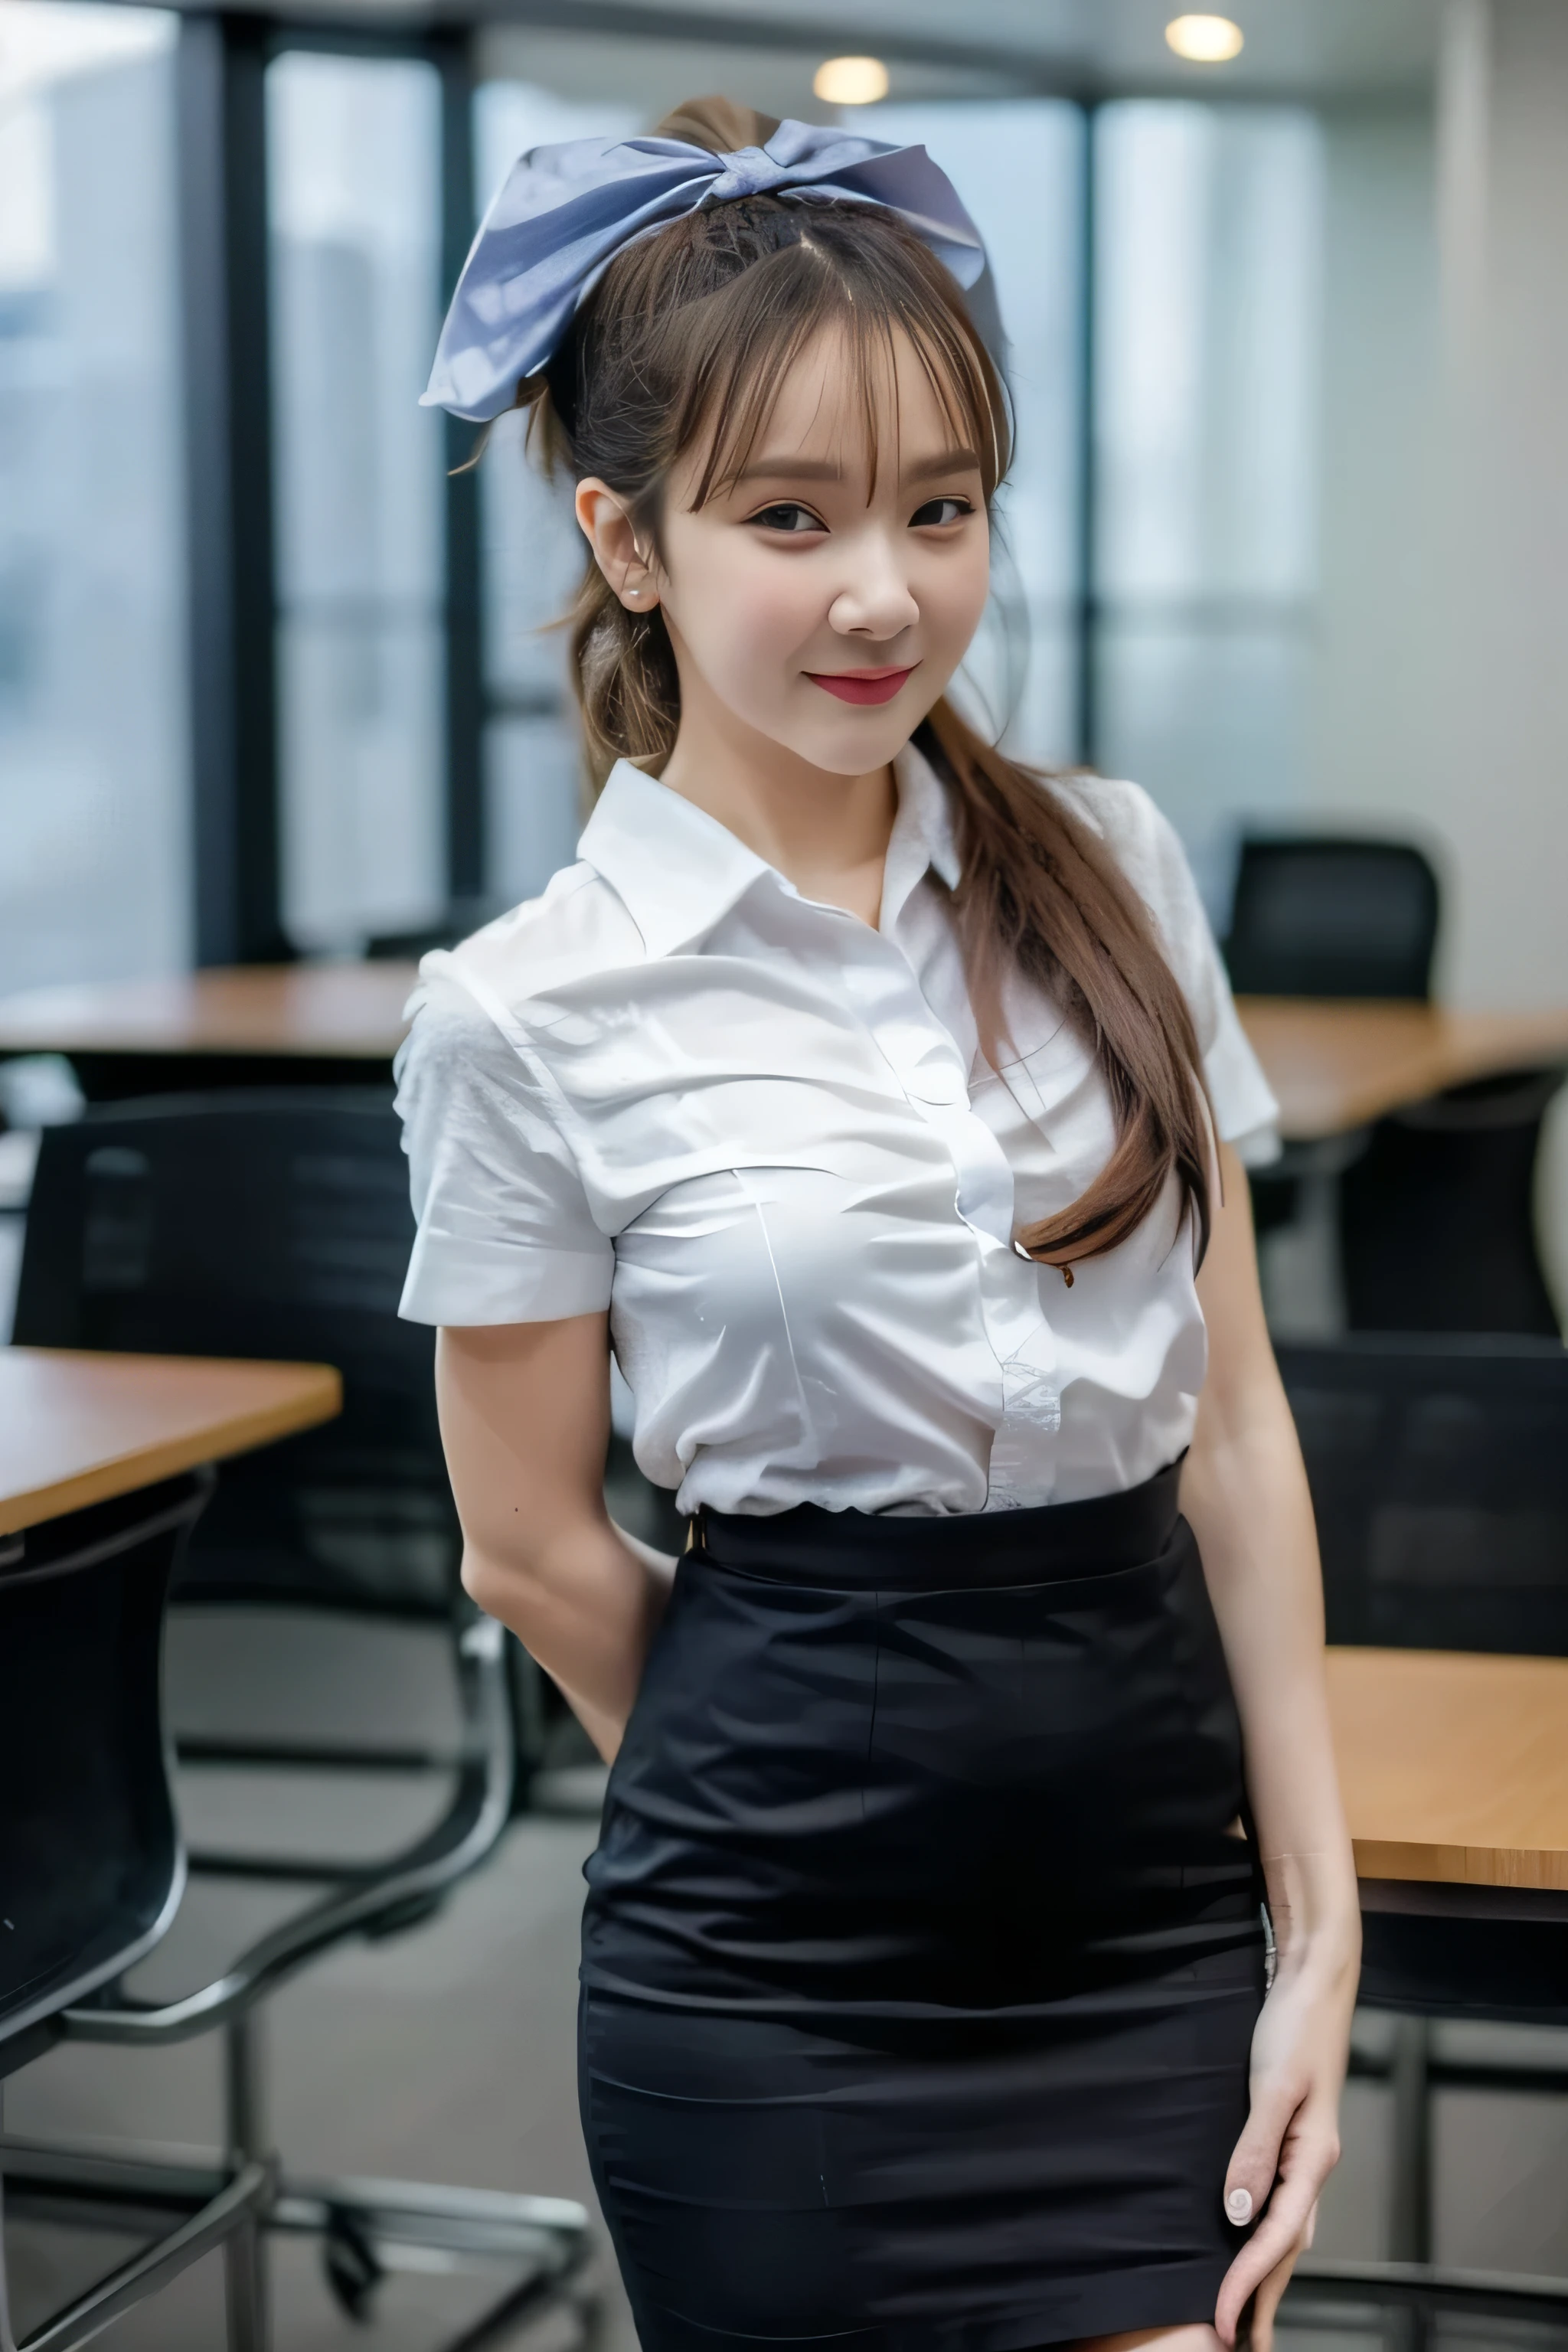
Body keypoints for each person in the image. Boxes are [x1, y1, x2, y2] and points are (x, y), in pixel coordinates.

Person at [397, 95, 1361, 2352]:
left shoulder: (1109, 862)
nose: (884, 591)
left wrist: (1316, 1925)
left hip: (1148, 1935)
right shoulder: (526, 1014)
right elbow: (528, 1547)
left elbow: (1231, 1435)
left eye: (942, 510)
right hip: (774, 1989)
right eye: (791, 517)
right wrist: (815, 1787)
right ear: (629, 541)